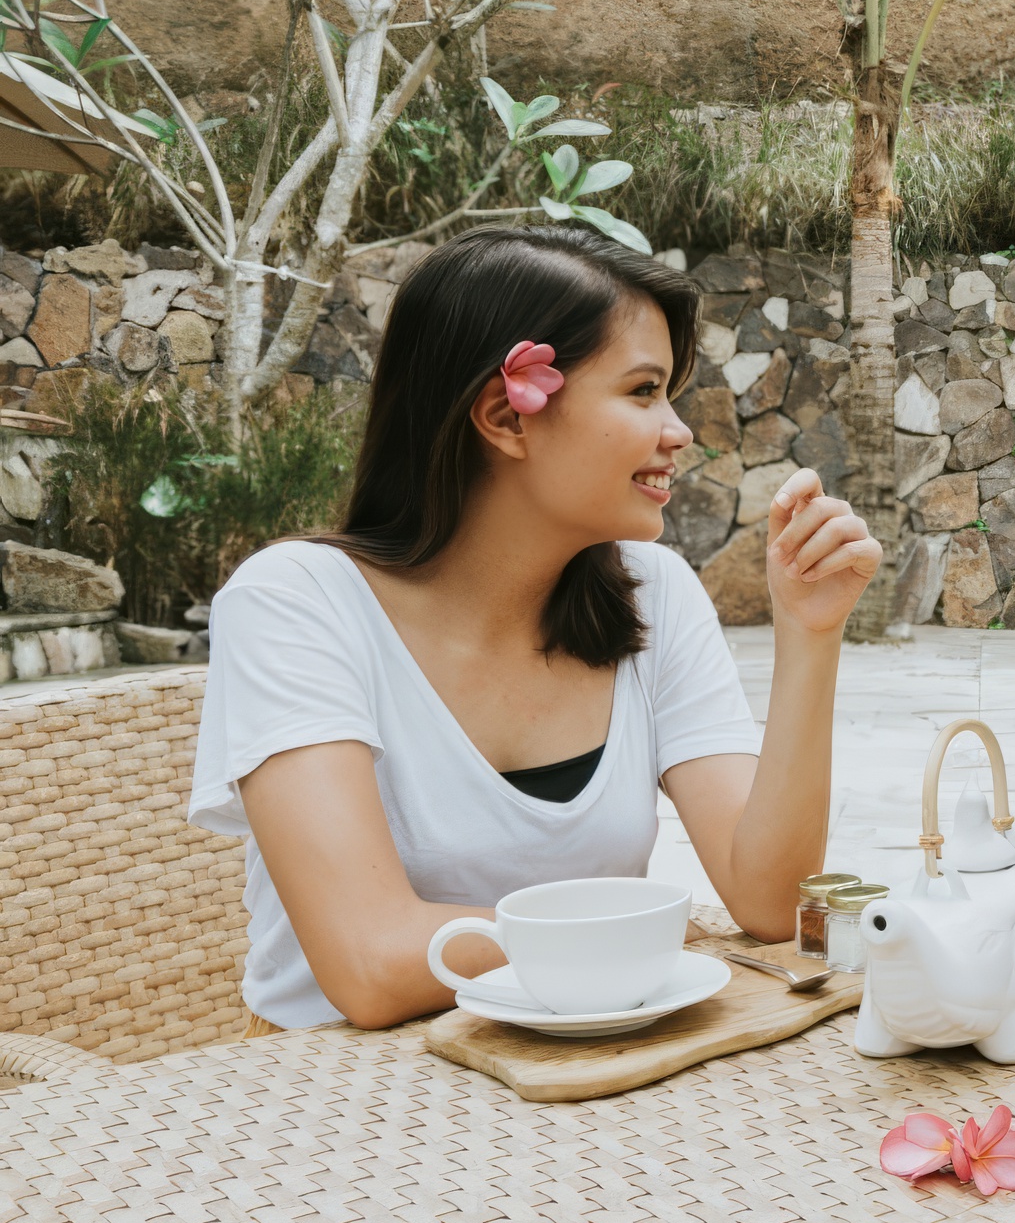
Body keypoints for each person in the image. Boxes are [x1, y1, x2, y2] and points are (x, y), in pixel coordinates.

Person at [188, 226, 882, 1031]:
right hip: (335, 1085)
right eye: (643, 391)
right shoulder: (296, 603)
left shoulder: (653, 594)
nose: (679, 430)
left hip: (594, 1062)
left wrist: (808, 633)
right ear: (505, 416)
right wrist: (645, 936)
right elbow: (371, 965)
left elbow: (768, 903)